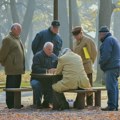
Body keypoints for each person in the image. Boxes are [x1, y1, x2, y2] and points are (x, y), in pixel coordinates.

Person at [0, 23, 25, 109]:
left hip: (18, 68)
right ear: (13, 29)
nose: (20, 31)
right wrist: (3, 63)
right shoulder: (8, 39)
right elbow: (3, 53)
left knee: (17, 86)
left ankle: (16, 103)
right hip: (12, 68)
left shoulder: (17, 39)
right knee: (11, 86)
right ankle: (10, 104)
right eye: (19, 29)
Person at [72, 26, 97, 106]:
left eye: (77, 35)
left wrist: (90, 63)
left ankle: (89, 104)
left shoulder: (88, 41)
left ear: (81, 33)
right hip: (78, 68)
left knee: (88, 86)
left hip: (86, 68)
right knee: (79, 86)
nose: (75, 37)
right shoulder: (75, 42)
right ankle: (79, 103)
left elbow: (93, 53)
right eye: (74, 35)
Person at [98, 26, 120, 111]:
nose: (99, 37)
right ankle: (115, 105)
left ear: (102, 34)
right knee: (114, 86)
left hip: (111, 67)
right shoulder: (113, 39)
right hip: (116, 66)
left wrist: (101, 64)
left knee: (110, 87)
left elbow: (106, 55)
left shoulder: (108, 41)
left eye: (100, 35)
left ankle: (111, 106)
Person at [30, 42, 58, 109]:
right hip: (37, 79)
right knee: (36, 85)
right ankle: (38, 103)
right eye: (48, 49)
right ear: (44, 48)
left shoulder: (54, 57)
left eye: (51, 49)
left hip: (49, 79)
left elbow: (58, 67)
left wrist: (55, 69)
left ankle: (46, 103)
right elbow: (35, 68)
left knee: (53, 85)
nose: (50, 51)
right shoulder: (37, 56)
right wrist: (47, 70)